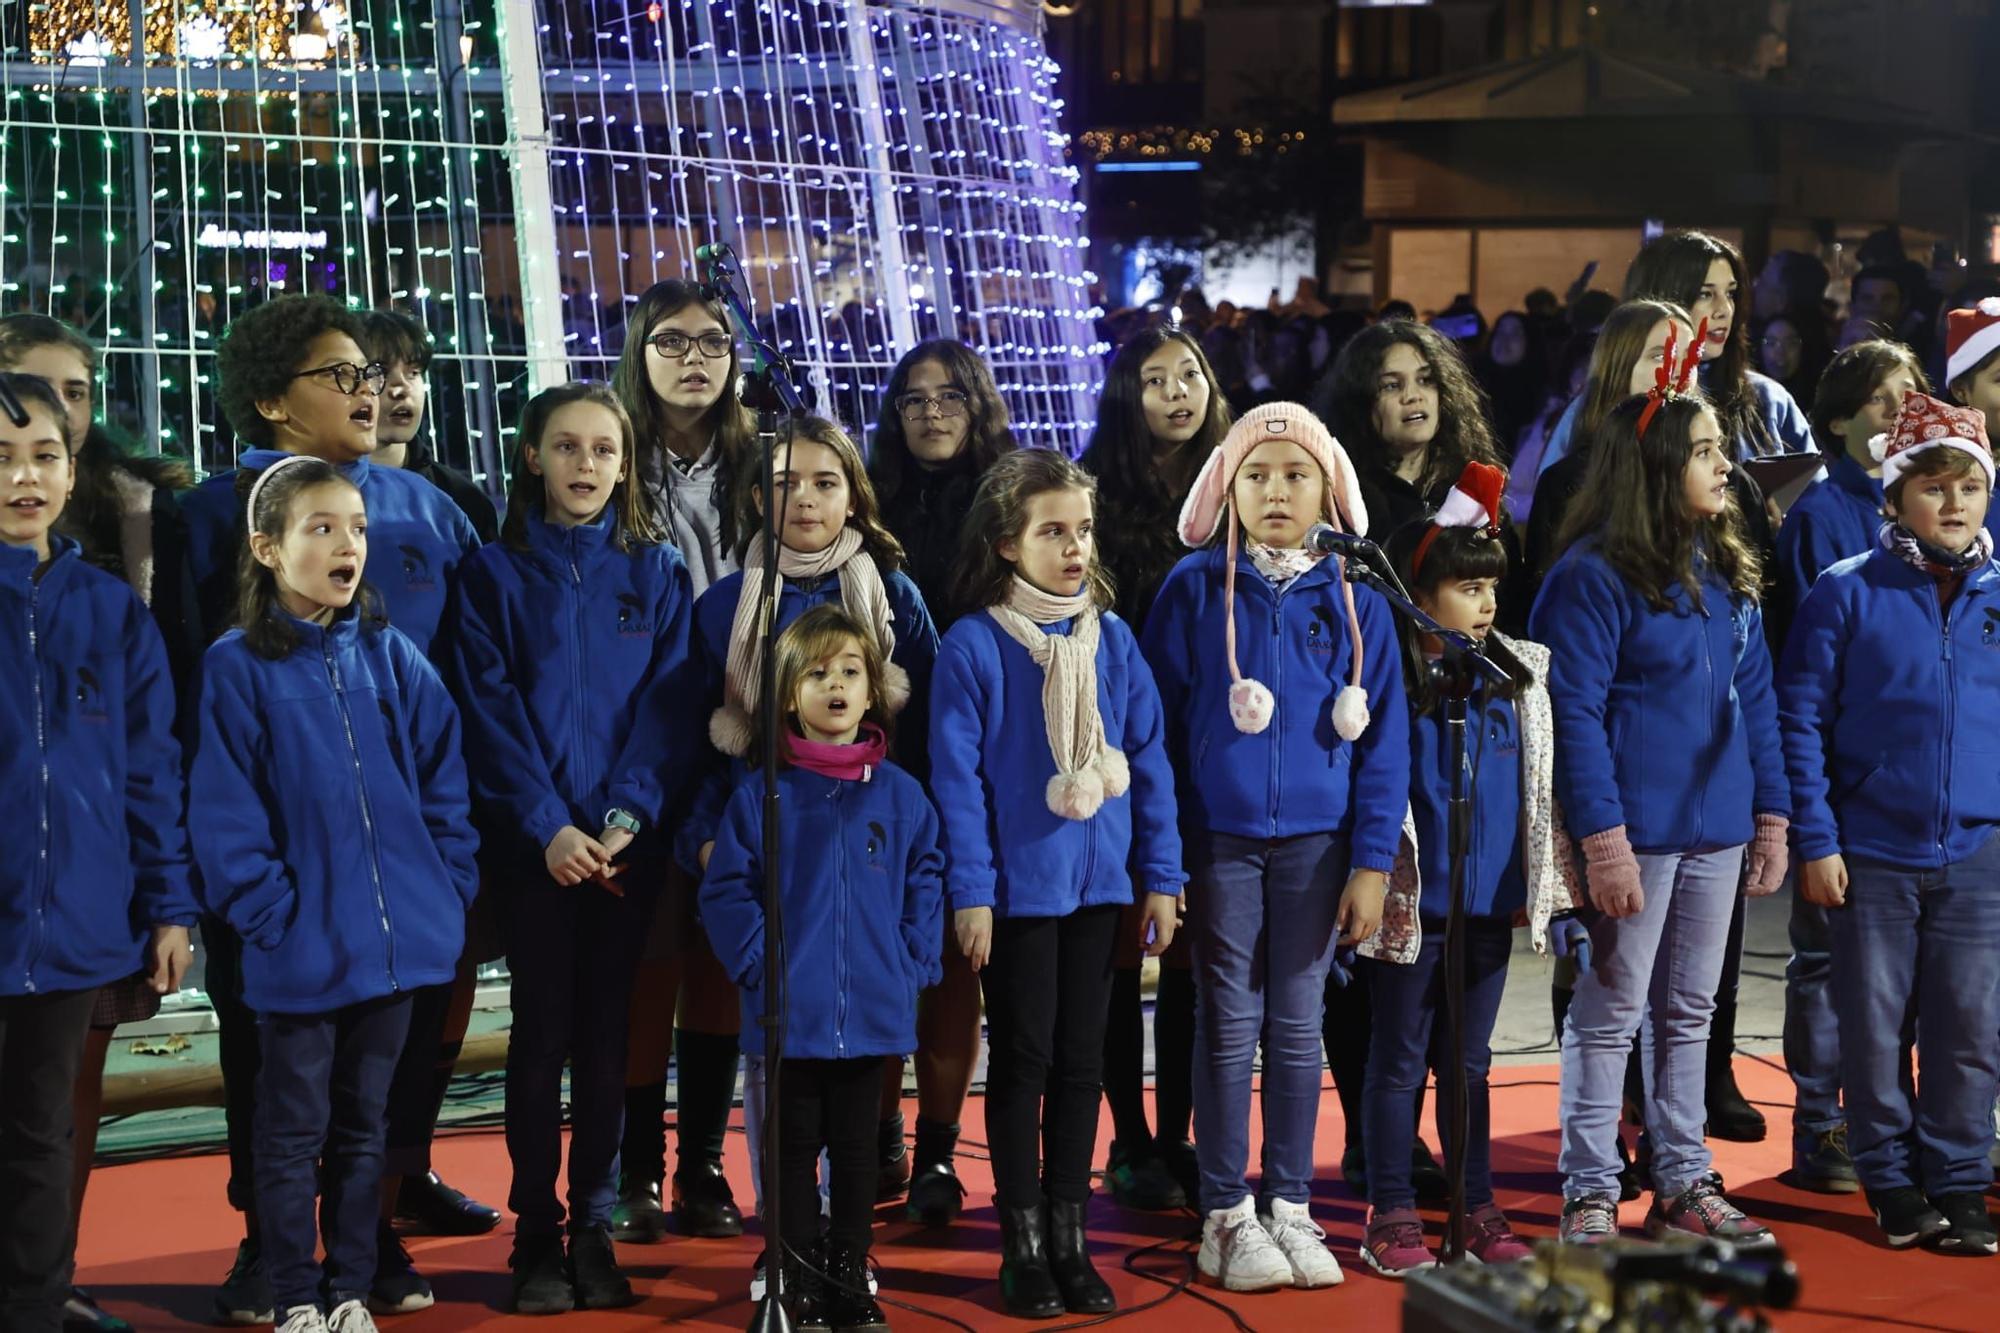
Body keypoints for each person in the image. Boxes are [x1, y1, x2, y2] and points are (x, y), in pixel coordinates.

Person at [183, 295, 480, 1323]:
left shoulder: (393, 652)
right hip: (294, 942)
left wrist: (445, 883)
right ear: (267, 547)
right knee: (286, 1121)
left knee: (367, 1123)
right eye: (322, 529)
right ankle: (284, 1276)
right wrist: (265, 911)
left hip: (396, 931)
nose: (348, 543)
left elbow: (444, 775)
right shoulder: (236, 660)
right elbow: (223, 805)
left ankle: (353, 1279)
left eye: (355, 527)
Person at [1142, 403, 1405, 1292]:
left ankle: (1289, 1202)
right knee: (1228, 1025)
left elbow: (1386, 745)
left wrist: (1372, 863)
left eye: (1295, 474)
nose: (1276, 490)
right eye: (1256, 474)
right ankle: (1224, 1210)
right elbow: (1161, 736)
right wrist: (1167, 863)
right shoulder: (1190, 590)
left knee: (1298, 1028)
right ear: (1227, 486)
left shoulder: (1361, 598)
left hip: (1320, 849)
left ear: (1329, 486)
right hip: (1221, 843)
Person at [448, 383, 699, 1312]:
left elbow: (670, 705)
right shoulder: (492, 573)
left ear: (625, 463)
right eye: (566, 447)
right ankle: (536, 1235)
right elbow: (489, 709)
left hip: (627, 847)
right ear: (532, 457)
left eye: (603, 449)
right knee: (540, 1035)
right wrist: (547, 824)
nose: (586, 464)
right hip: (537, 849)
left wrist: (627, 816)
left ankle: (594, 1222)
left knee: (607, 1038)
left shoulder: (659, 570)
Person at [1531, 376, 1787, 1249]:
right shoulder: (1592, 578)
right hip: (1636, 834)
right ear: (1656, 464)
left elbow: (1758, 699)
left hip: (1716, 829)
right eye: (1708, 450)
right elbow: (1573, 714)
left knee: (1689, 1011)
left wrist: (1772, 815)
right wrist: (1602, 841)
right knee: (1609, 1010)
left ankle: (1683, 1174)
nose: (1728, 464)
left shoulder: (1726, 569)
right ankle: (1591, 1186)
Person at [929, 449, 1184, 1318]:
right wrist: (971, 890)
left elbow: (1147, 758)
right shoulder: (974, 646)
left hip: (1101, 888)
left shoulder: (1111, 637)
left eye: (1083, 530)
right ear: (1007, 543)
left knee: (1085, 1062)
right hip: (1017, 895)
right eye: (1052, 532)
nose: (1075, 548)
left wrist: (1162, 875)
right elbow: (957, 779)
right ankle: (1023, 1239)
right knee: (1026, 1062)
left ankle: (1072, 1234)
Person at [685, 413, 939, 1282]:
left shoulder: (892, 594)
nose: (806, 498)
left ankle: (847, 1253)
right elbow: (689, 735)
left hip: (867, 855)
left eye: (826, 481)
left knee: (855, 1108)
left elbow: (930, 737)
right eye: (786, 482)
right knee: (781, 1107)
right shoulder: (726, 603)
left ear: (853, 495)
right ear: (758, 496)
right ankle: (786, 1249)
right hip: (771, 853)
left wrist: (911, 953)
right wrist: (714, 858)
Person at [0, 315, 201, 1333]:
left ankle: (32, 1310)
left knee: (39, 1134)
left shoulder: (109, 610)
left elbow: (148, 769)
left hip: (74, 927)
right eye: (1, 457)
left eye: (46, 456)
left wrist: (167, 905)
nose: (24, 477)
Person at [1776, 391, 2000, 1256]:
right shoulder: (1846, 593)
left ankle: (1959, 1175)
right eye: (1933, 485)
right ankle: (1890, 1175)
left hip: (1978, 851)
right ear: (1895, 495)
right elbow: (1800, 720)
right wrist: (1818, 838)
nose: (1953, 503)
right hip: (1871, 850)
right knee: (1871, 1027)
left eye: (1969, 487)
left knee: (1969, 1027)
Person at [1359, 463, 1579, 1276]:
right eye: (1465, 585)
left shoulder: (1518, 679)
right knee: (1396, 1060)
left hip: (1486, 906)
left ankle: (1474, 1201)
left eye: (1491, 584)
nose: (1485, 601)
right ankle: (1389, 1210)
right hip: (1415, 909)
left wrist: (1555, 893)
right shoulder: (1397, 683)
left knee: (1471, 1062)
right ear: (1421, 592)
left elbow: (1542, 789)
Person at [701, 606, 945, 1329]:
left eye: (849, 672)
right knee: (791, 1151)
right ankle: (797, 1272)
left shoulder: (900, 796)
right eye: (816, 673)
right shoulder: (762, 796)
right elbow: (727, 890)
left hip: (873, 1011)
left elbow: (926, 875)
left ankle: (848, 1270)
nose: (835, 685)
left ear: (873, 691)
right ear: (787, 694)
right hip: (787, 1015)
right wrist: (756, 963)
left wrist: (911, 958)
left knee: (858, 1150)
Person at [608, 280, 760, 1244]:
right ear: (640, 349)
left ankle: (703, 1160)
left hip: (745, 730)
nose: (696, 357)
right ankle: (634, 1166)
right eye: (673, 340)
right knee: (645, 962)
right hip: (640, 732)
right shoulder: (608, 452)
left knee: (717, 959)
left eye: (713, 340)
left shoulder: (765, 461)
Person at [1078, 325, 1233, 1213]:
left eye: (1192, 375)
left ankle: (1179, 1133)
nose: (1179, 392)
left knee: (1191, 960)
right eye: (1154, 380)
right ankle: (1129, 1138)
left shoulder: (1246, 489)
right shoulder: (1096, 498)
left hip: (1217, 754)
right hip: (1120, 752)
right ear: (1123, 397)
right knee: (1113, 953)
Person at [1770, 341, 1930, 1197]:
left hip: (1913, 787)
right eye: (1879, 401)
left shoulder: (1934, 508)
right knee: (1826, 958)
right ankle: (1816, 1121)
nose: (1898, 410)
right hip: (1837, 781)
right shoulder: (1824, 518)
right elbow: (1804, 671)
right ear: (1835, 422)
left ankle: (1891, 1116)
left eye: (1910, 395)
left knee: (1907, 963)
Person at [866, 340, 1016, 1223]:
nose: (930, 411)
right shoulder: (869, 504)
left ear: (977, 404)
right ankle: (880, 1125)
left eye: (948, 395)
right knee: (886, 959)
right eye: (913, 398)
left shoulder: (1006, 504)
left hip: (974, 765)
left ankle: (937, 1147)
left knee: (959, 962)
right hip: (875, 761)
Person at [356, 310, 499, 543]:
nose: (401, 389)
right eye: (379, 373)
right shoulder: (314, 490)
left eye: (413, 373)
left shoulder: (462, 499)